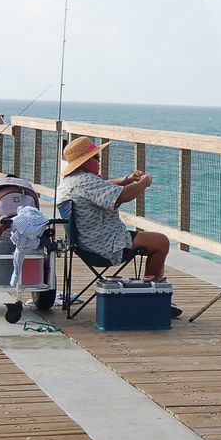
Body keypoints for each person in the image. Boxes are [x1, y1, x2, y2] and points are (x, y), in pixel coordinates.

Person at [56, 136, 180, 318]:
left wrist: (126, 179)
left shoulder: (70, 182)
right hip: (105, 245)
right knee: (160, 242)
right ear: (86, 161)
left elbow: (103, 187)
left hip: (86, 242)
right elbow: (123, 196)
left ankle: (159, 295)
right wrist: (144, 182)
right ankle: (150, 299)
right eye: (96, 157)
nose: (99, 161)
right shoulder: (86, 181)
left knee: (151, 241)